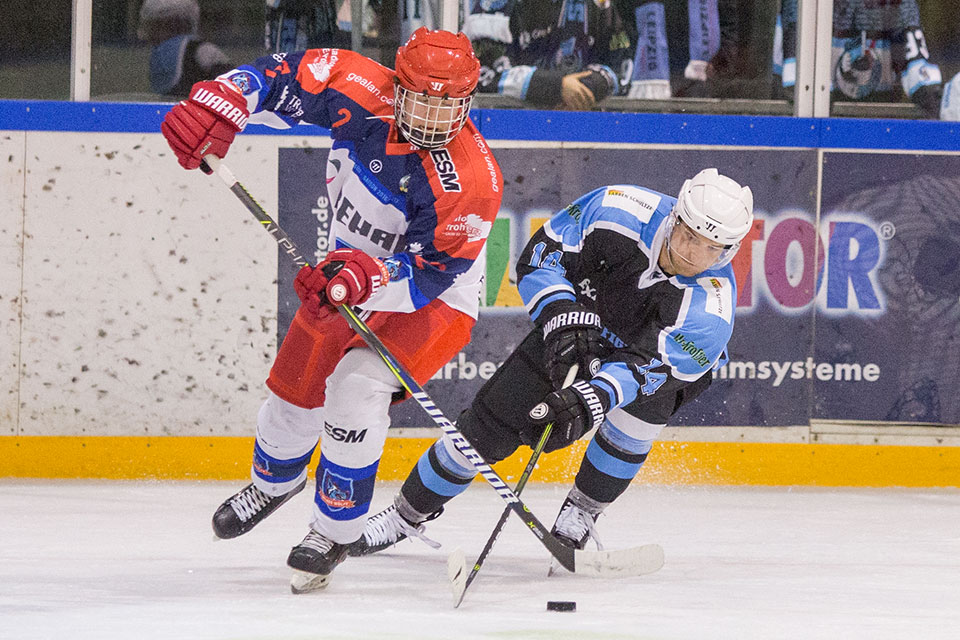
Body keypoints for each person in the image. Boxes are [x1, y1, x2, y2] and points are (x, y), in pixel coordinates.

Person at [159, 27, 503, 593]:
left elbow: (436, 271)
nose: (435, 116)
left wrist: (368, 276)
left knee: (356, 387)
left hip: (432, 298)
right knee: (293, 384)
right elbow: (275, 76)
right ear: (397, 84)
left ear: (469, 101)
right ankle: (274, 484)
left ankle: (335, 527)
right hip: (344, 273)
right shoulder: (357, 84)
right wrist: (222, 99)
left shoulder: (469, 179)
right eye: (422, 97)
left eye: (450, 105)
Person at [348, 168, 753, 557]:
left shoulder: (711, 309)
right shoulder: (617, 208)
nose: (693, 254)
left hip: (653, 363)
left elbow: (641, 370)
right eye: (687, 236)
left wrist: (586, 399)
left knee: (632, 427)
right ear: (675, 215)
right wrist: (562, 316)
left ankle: (582, 510)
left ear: (729, 250)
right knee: (486, 427)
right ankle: (405, 515)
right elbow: (540, 257)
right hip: (575, 327)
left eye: (711, 248)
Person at [777, 0, 947, 119]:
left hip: (878, 122)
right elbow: (791, 86)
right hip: (820, 128)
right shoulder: (801, 6)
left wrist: (937, 100)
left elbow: (918, 75)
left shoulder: (898, 4)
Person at [462, 0, 632, 110]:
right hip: (510, 129)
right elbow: (478, 73)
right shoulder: (494, 5)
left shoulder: (599, 4)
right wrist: (556, 87)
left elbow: (622, 68)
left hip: (581, 128)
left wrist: (589, 85)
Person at [137, 0, 233, 98]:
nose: (152, 34)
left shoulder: (204, 51)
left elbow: (232, 91)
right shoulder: (159, 56)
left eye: (158, 25)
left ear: (176, 25)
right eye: (152, 26)